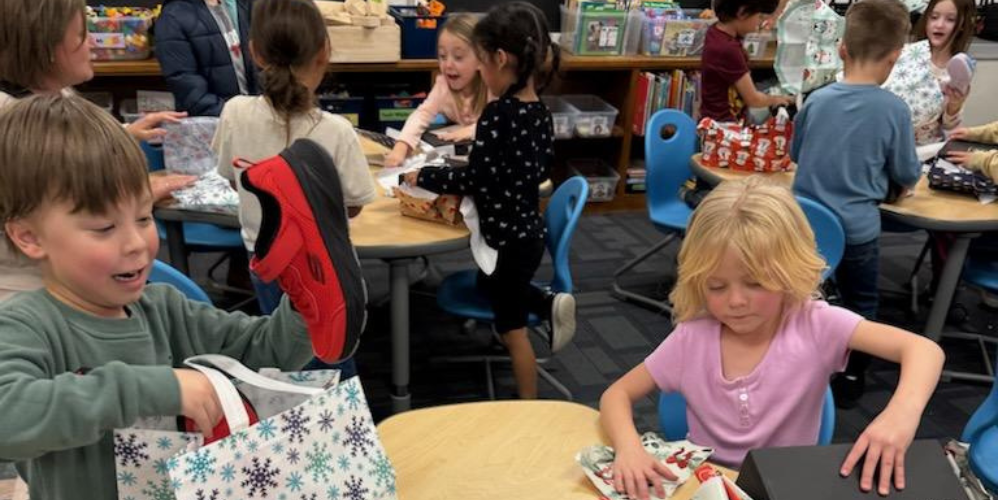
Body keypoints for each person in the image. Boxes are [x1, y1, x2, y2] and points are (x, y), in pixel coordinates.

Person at [0, 94, 315, 500]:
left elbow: (267, 352)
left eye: (144, 217)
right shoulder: (26, 325)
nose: (136, 243)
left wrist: (309, 305)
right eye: (103, 227)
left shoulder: (165, 309)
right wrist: (153, 388)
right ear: (28, 237)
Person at [599, 177, 944, 500]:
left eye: (755, 283)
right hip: (709, 485)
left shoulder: (815, 324)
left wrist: (900, 414)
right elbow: (616, 394)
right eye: (716, 286)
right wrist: (630, 447)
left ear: (787, 271)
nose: (735, 301)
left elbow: (924, 350)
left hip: (786, 484)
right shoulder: (692, 337)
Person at [403, 2, 575, 399]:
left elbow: (476, 178)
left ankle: (529, 406)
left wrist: (422, 175)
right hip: (527, 233)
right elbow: (529, 168)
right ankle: (546, 302)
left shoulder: (499, 114)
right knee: (493, 284)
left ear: (500, 59)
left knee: (512, 330)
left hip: (509, 241)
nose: (479, 72)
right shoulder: (538, 113)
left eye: (480, 62)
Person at [212, 0, 376, 374]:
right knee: (332, 354)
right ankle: (338, 423)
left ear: (253, 52)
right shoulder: (336, 131)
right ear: (325, 52)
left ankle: (290, 414)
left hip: (265, 259)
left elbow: (233, 179)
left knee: (282, 351)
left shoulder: (234, 112)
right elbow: (353, 206)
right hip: (324, 267)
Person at [0, 0, 193, 302]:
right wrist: (141, 195)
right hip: (37, 293)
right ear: (48, 44)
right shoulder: (14, 121)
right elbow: (60, 197)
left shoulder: (54, 96)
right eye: (82, 33)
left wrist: (127, 133)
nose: (93, 41)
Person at [791, 0, 921, 407]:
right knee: (861, 304)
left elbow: (797, 154)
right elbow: (906, 171)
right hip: (856, 232)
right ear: (895, 56)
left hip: (804, 225)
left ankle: (793, 362)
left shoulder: (816, 100)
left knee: (797, 296)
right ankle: (850, 376)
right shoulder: (893, 109)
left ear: (842, 49)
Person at [384, 13, 491, 168]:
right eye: (442, 56)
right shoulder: (443, 85)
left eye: (458, 57)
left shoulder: (491, 84)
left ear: (481, 59)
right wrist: (401, 147)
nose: (448, 65)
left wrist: (472, 130)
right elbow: (422, 114)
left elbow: (502, 121)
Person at [894, 0, 978, 145]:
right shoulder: (904, 54)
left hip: (924, 151)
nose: (939, 24)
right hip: (889, 143)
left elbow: (949, 127)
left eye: (950, 19)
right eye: (934, 17)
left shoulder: (958, 70)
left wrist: (954, 105)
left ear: (962, 24)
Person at [155, 0, 258, 116]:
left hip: (254, 118)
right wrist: (240, 115)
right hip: (216, 124)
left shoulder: (242, 5)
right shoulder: (172, 18)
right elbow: (190, 92)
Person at [700, 0, 793, 123]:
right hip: (724, 126)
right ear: (742, 13)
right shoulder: (728, 49)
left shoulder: (715, 31)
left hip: (713, 118)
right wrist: (777, 99)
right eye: (759, 16)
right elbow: (753, 99)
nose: (759, 23)